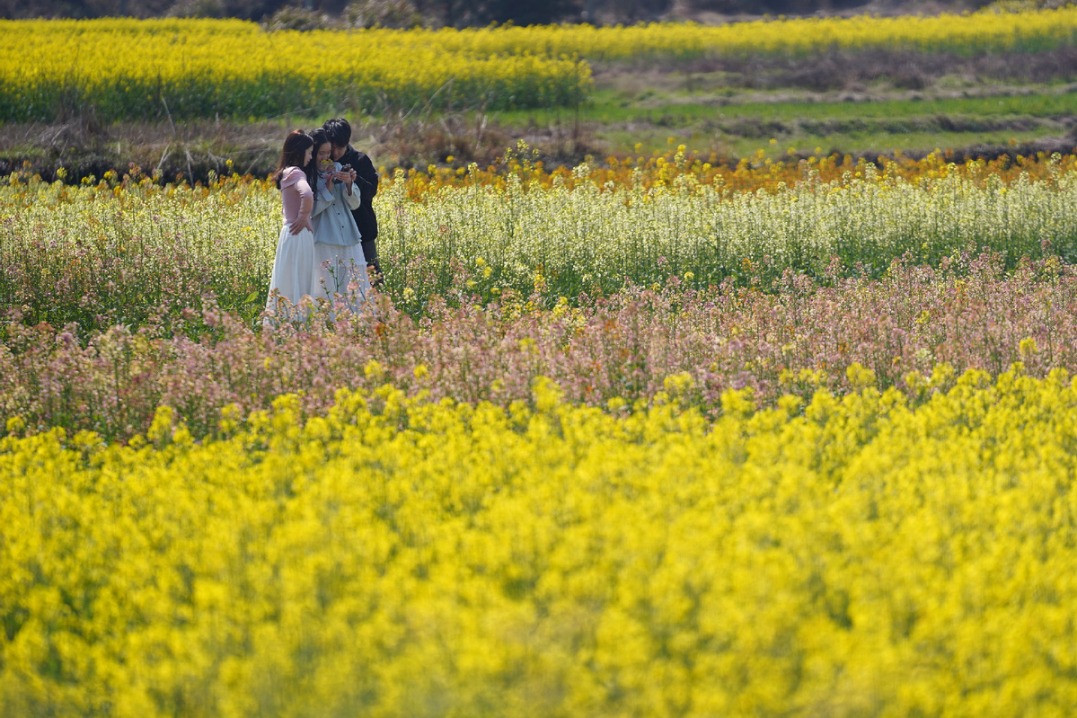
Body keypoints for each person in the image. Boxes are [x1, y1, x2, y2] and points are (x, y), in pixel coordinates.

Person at [308, 127, 370, 312]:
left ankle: (356, 324)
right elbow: (311, 211)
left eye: (329, 153)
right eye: (321, 153)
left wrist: (349, 184)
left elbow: (354, 203)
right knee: (327, 285)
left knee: (353, 283)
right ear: (312, 153)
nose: (326, 157)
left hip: (348, 234)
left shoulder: (337, 167)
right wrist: (327, 188)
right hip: (325, 237)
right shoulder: (308, 175)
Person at [323, 117, 381, 286]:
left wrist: (353, 180)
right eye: (331, 147)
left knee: (372, 279)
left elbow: (371, 191)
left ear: (346, 142)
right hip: (332, 233)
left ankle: (381, 310)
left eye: (339, 148)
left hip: (362, 230)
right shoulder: (320, 161)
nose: (334, 153)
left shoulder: (360, 160)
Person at [265, 129, 316, 323]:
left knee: (286, 278)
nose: (311, 157)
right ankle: (298, 322)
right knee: (299, 278)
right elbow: (308, 194)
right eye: (309, 152)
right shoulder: (296, 172)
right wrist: (304, 216)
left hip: (289, 232)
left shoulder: (286, 173)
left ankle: (284, 322)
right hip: (299, 232)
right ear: (299, 151)